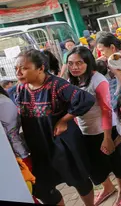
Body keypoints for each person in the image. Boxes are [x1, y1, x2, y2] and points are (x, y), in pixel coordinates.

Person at [15, 49, 96, 205]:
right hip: (38, 145)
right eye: (16, 69)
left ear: (40, 68)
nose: (18, 72)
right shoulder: (21, 88)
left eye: (24, 68)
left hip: (63, 142)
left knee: (78, 178)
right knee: (43, 186)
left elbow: (86, 99)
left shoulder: (57, 85)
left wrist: (64, 120)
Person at [67, 46, 121, 206]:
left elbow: (106, 110)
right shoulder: (71, 81)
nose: (74, 67)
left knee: (116, 162)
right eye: (71, 63)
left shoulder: (98, 80)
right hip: (85, 132)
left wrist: (107, 138)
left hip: (106, 130)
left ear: (88, 62)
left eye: (79, 63)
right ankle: (108, 187)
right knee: (94, 167)